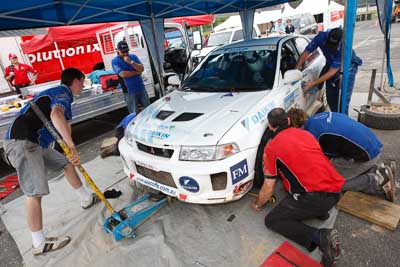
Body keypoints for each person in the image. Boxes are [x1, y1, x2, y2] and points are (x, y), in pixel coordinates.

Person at [3, 68, 99, 256]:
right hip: (24, 143)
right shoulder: (63, 93)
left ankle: (86, 198)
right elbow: (56, 115)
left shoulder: (59, 94)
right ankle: (39, 243)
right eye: (83, 81)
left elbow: (64, 125)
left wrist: (68, 149)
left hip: (36, 143)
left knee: (66, 163)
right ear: (76, 81)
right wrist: (71, 146)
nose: (83, 85)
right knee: (34, 192)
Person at [251, 108, 345, 267]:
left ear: (271, 126)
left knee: (273, 220)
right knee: (301, 184)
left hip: (316, 198)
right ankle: (320, 212)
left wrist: (258, 204)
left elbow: (269, 186)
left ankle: (320, 236)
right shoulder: (306, 134)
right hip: (336, 191)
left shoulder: (272, 148)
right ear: (288, 121)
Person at [287, 108, 396, 202]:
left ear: (296, 127)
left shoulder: (314, 134)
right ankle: (380, 170)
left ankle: (375, 181)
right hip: (373, 145)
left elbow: (322, 161)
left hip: (367, 156)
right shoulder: (318, 117)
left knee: (330, 184)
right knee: (334, 167)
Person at [295, 27, 362, 114]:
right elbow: (306, 52)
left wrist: (313, 83)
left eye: (334, 46)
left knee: (343, 101)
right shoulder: (321, 37)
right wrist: (296, 69)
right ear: (327, 37)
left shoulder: (344, 47)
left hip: (348, 68)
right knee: (331, 98)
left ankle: (343, 121)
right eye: (329, 44)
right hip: (331, 63)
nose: (331, 47)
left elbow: (331, 72)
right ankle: (336, 116)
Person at [112, 40, 150, 114]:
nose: (125, 54)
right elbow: (123, 74)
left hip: (140, 87)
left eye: (127, 51)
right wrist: (137, 72)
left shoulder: (133, 57)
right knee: (133, 112)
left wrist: (131, 62)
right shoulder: (115, 61)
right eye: (123, 52)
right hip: (129, 90)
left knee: (148, 109)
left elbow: (141, 69)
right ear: (118, 50)